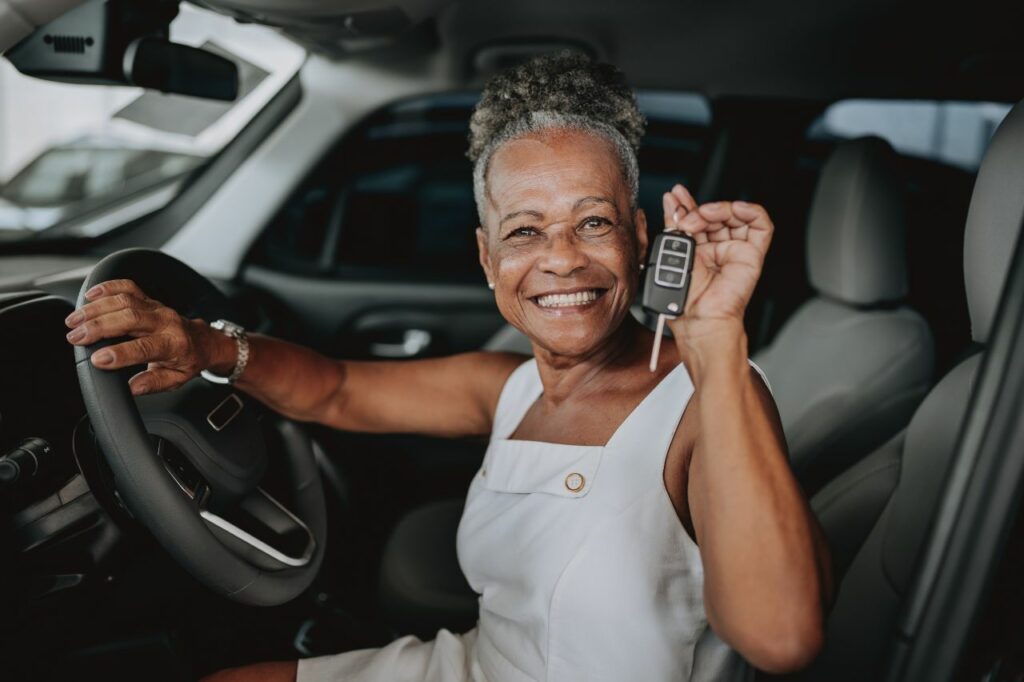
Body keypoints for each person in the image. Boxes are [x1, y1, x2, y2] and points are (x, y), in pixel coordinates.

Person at [64, 52, 833, 682]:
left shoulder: (709, 395)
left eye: (592, 222)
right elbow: (335, 390)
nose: (562, 259)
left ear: (639, 236)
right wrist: (205, 347)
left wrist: (715, 339)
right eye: (525, 231)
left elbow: (780, 637)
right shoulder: (510, 384)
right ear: (485, 256)